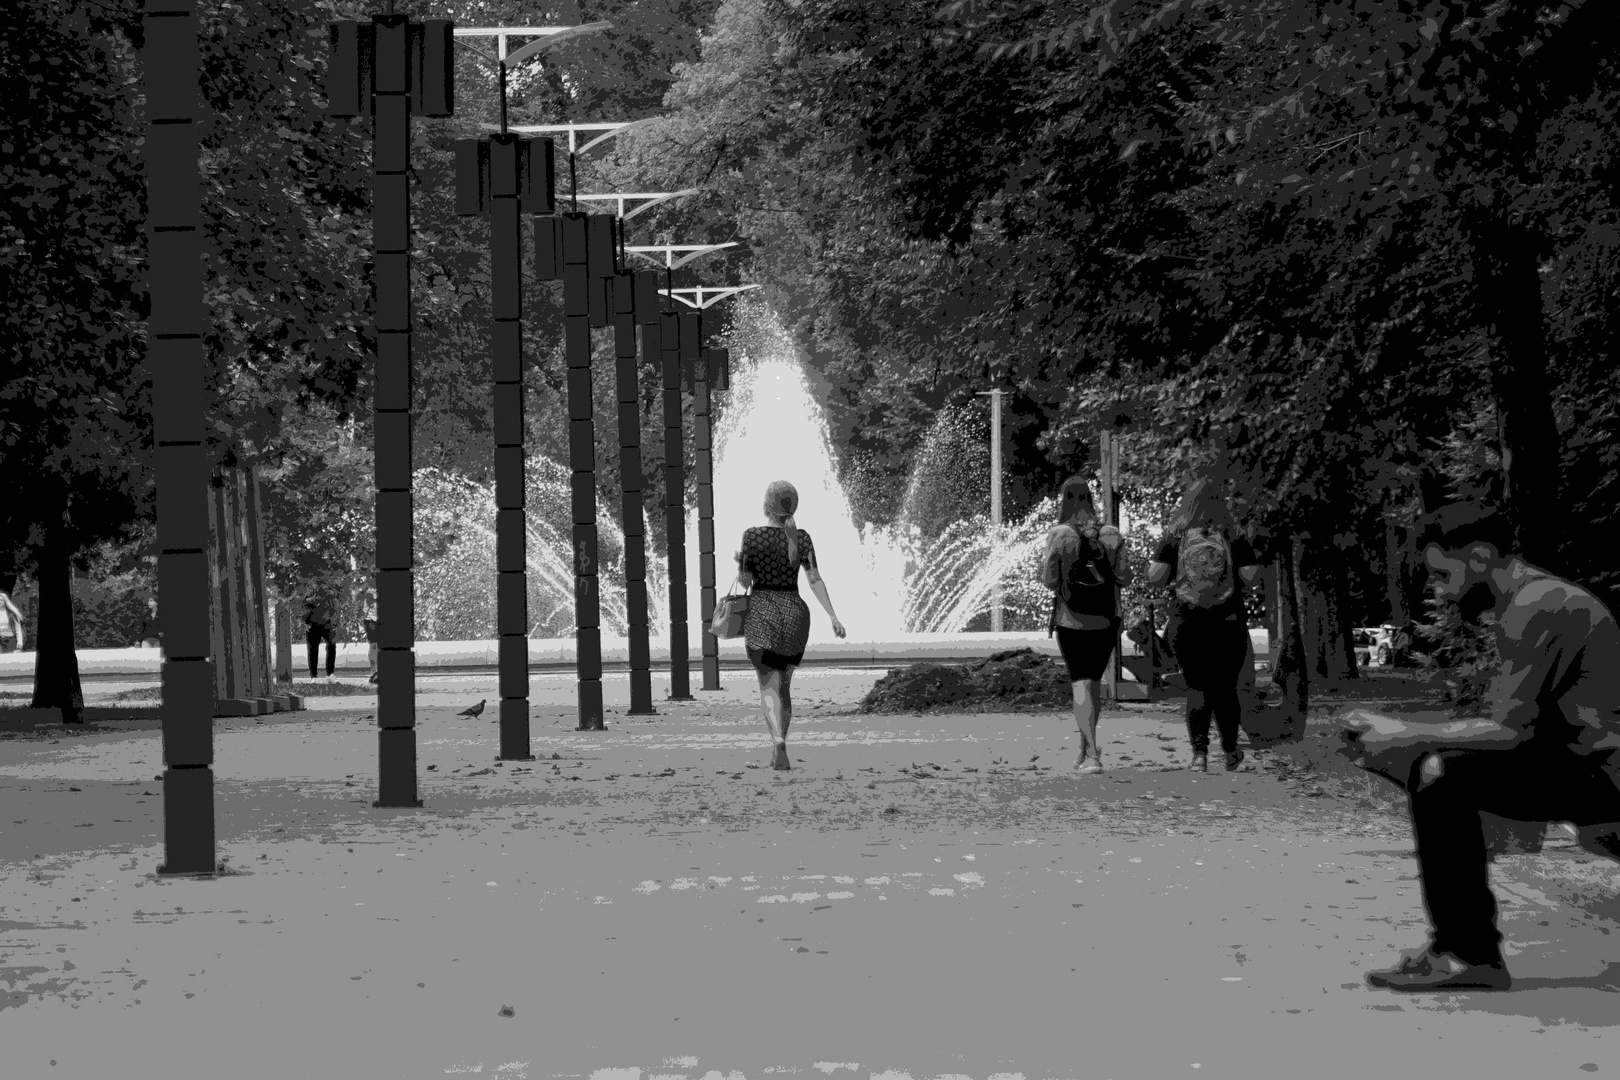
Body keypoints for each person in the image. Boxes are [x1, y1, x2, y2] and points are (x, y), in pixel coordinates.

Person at [1339, 500, 1620, 992]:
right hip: (1585, 763)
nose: (1437, 587)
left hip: (1604, 772)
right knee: (1434, 770)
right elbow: (1513, 725)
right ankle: (1465, 949)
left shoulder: (1541, 604)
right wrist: (1398, 736)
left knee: (1441, 776)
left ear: (1480, 556)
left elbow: (1509, 731)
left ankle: (1468, 953)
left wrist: (1400, 730)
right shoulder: (1527, 601)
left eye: (1441, 572)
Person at [1147, 477, 1265, 771]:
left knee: (1197, 686)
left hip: (1187, 622)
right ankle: (1229, 752)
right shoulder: (1233, 534)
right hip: (1228, 621)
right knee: (1225, 687)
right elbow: (1252, 578)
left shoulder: (1175, 536)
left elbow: (1155, 577)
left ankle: (1199, 756)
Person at [734, 481, 846, 770]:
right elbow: (814, 580)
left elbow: (745, 582)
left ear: (766, 505)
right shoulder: (803, 538)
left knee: (768, 685)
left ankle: (778, 742)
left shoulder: (753, 536)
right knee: (784, 685)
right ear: (793, 506)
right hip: (795, 612)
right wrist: (833, 616)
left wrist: (740, 563)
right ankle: (782, 739)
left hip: (763, 611)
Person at [1043, 476, 1133, 772]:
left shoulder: (1059, 534)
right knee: (1093, 683)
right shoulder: (1111, 534)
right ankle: (1085, 746)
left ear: (1064, 500)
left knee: (1080, 683)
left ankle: (1093, 754)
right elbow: (1125, 578)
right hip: (1107, 618)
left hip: (1071, 620)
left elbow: (1049, 581)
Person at [304, 595, 336, 679]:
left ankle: (330, 674)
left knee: (331, 646)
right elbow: (302, 601)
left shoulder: (329, 587)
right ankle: (313, 676)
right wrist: (314, 599)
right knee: (312, 649)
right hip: (312, 622)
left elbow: (335, 601)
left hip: (328, 622)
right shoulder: (308, 586)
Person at [362, 593, 379, 685]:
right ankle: (374, 672)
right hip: (370, 618)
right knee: (374, 645)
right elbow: (368, 599)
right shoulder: (366, 582)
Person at [0, 589, 24, 653]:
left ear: (5, 601)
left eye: (1, 600)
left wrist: (20, 642)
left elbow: (18, 629)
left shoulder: (12, 613)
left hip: (10, 640)